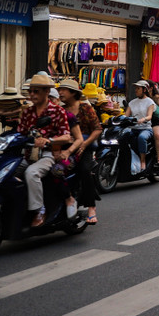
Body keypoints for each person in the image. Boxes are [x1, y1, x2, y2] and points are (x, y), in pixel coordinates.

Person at [19, 74, 72, 227]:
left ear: (47, 92)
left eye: (36, 91)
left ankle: (39, 210)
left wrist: (49, 140)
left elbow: (66, 136)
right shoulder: (27, 112)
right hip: (27, 154)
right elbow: (20, 132)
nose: (32, 95)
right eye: (30, 91)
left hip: (48, 154)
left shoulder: (58, 111)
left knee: (32, 173)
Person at [58, 79, 101, 225]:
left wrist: (84, 144)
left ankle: (91, 207)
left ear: (73, 93)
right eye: (59, 90)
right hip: (65, 147)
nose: (60, 92)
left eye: (64, 90)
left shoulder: (85, 108)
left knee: (84, 170)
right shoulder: (61, 110)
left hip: (84, 148)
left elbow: (97, 129)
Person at [123, 80, 158, 171]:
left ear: (144, 90)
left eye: (138, 88)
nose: (136, 90)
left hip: (145, 129)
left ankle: (143, 161)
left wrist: (143, 119)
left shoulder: (149, 102)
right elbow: (126, 116)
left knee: (142, 138)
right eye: (136, 88)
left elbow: (149, 116)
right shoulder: (132, 102)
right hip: (133, 128)